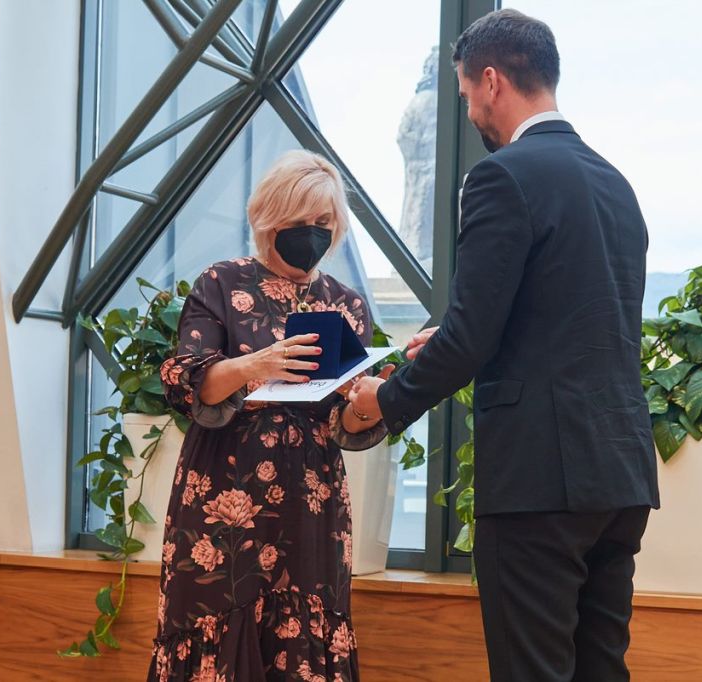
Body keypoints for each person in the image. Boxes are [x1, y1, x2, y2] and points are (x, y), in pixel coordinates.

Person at [348, 9, 660, 682]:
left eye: (465, 95)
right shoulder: (616, 184)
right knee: (601, 670)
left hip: (538, 478)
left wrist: (384, 401)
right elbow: (574, 320)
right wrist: (458, 333)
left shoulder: (502, 176)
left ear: (491, 81)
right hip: (619, 474)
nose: (469, 113)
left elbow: (471, 337)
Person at [148, 150, 391, 682]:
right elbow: (186, 381)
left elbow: (346, 424)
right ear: (268, 218)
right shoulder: (221, 283)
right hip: (223, 494)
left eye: (324, 221)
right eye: (300, 220)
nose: (313, 233)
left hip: (310, 496)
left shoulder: (346, 304)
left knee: (304, 628)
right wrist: (256, 365)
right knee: (214, 620)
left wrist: (369, 399)